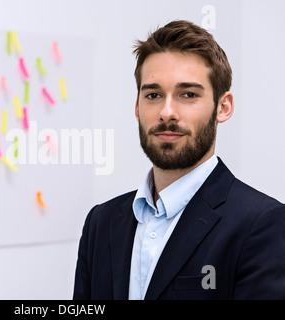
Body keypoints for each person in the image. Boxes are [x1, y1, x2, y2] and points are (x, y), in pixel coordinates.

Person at [73, 20, 285, 300]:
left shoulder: (263, 223)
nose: (167, 112)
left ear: (223, 107)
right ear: (137, 107)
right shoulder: (100, 222)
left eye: (188, 94)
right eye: (153, 95)